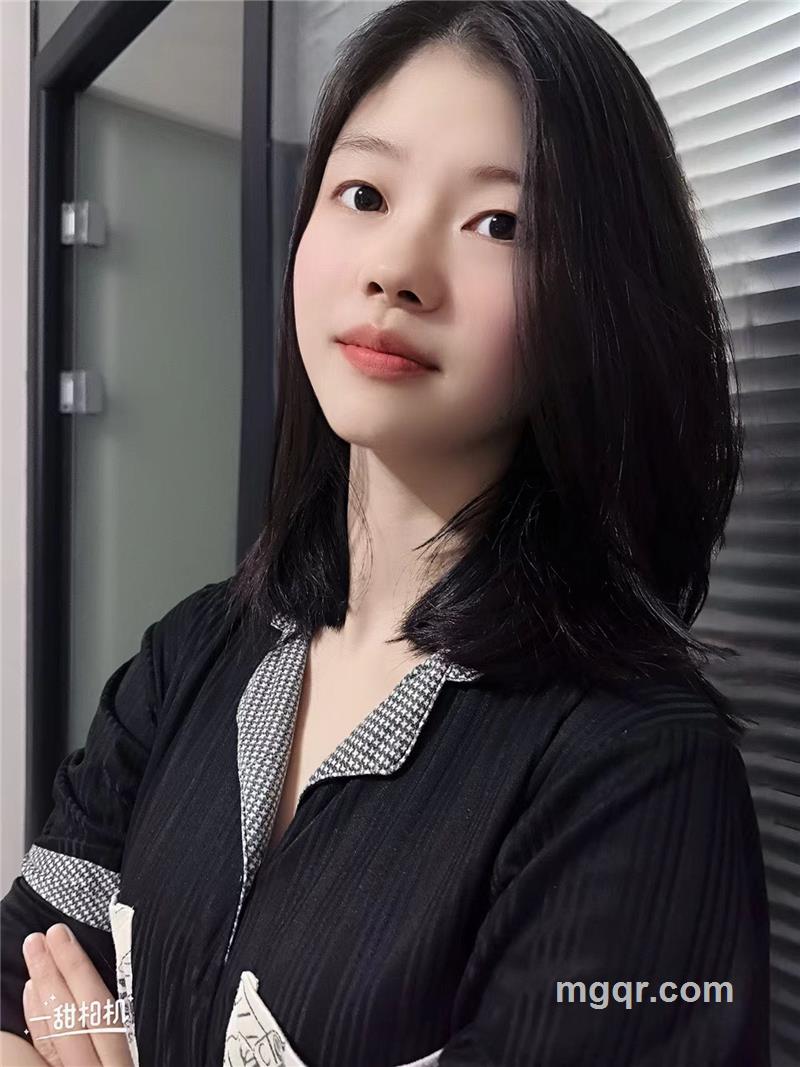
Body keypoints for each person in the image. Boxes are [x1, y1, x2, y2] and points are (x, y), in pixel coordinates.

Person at [1, 2, 771, 1064]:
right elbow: (17, 978)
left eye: (499, 223)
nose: (397, 267)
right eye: (363, 193)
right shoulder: (193, 654)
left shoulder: (638, 768)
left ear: (599, 292)